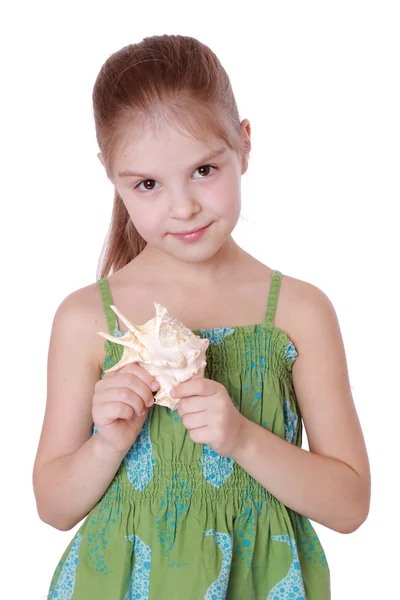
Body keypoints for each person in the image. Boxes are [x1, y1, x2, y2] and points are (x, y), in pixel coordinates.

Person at [33, 34, 370, 600]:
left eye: (204, 171)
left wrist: (242, 438)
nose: (183, 206)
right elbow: (53, 507)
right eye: (147, 184)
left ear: (243, 142)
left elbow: (351, 505)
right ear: (110, 174)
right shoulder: (86, 318)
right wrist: (107, 445)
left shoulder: (298, 312)